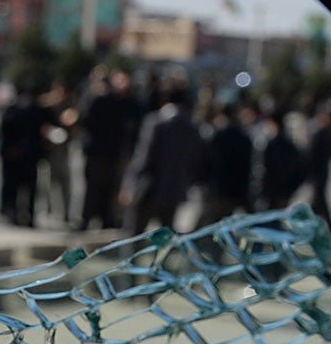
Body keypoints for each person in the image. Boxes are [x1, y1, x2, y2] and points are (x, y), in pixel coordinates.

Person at [119, 79, 204, 234]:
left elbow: (143, 157)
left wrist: (129, 185)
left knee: (133, 236)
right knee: (166, 239)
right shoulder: (192, 129)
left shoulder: (154, 122)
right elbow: (195, 161)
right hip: (175, 190)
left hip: (149, 189)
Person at [77, 67, 139, 231]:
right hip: (101, 152)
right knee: (96, 188)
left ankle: (101, 219)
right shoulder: (104, 100)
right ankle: (93, 219)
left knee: (105, 188)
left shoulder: (124, 102)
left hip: (110, 153)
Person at [195, 98, 253, 226]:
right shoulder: (244, 136)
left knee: (207, 227)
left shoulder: (216, 135)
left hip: (217, 189)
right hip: (235, 190)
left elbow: (206, 162)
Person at [0, 85, 47, 228]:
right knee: (29, 188)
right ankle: (29, 216)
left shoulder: (11, 109)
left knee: (13, 186)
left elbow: (4, 131)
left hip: (14, 155)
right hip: (29, 155)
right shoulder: (35, 109)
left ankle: (12, 214)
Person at [39, 82, 79, 229]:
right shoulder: (48, 107)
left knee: (65, 183)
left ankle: (66, 213)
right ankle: (50, 212)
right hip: (51, 151)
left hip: (63, 151)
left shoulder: (68, 106)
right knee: (49, 184)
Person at [253, 105, 307, 210]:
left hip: (270, 196)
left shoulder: (270, 145)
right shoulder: (290, 145)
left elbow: (263, 172)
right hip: (282, 195)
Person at [303, 100, 331, 229]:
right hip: (316, 171)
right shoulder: (318, 132)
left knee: (318, 199)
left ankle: (324, 227)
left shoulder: (328, 133)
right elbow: (311, 153)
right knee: (318, 200)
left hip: (322, 171)